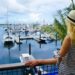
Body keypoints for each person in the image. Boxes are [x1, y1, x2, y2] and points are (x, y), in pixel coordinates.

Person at [25, 10, 75, 75]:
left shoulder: (69, 38)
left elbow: (57, 59)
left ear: (69, 23)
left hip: (67, 72)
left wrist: (38, 61)